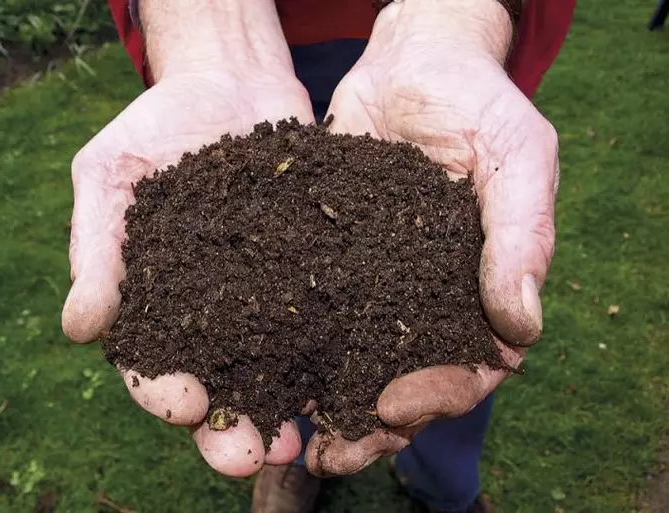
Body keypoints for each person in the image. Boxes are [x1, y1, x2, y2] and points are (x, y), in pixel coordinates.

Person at [62, 1, 575, 511]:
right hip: (280, 33)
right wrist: (210, 34)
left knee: (456, 348)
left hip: (445, 38)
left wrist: (453, 22)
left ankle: (443, 484)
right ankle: (297, 461)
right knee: (296, 362)